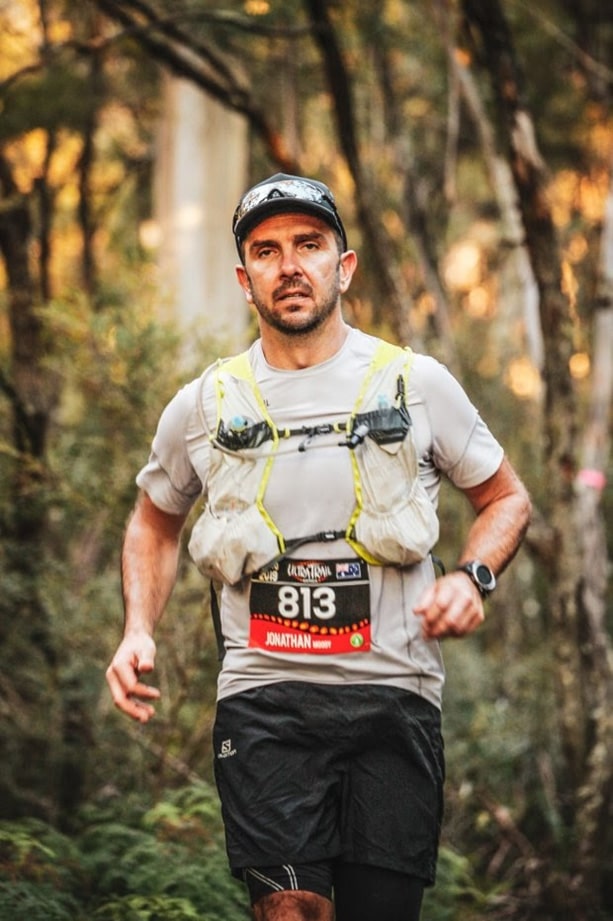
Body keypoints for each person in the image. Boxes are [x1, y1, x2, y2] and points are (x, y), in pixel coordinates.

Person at [106, 172, 532, 921]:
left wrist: (473, 576)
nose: (289, 264)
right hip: (265, 698)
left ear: (344, 265)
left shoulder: (413, 382)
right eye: (266, 251)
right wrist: (137, 627)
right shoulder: (205, 403)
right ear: (244, 279)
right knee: (291, 908)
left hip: (394, 696)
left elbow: (505, 498)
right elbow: (153, 519)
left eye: (309, 244)